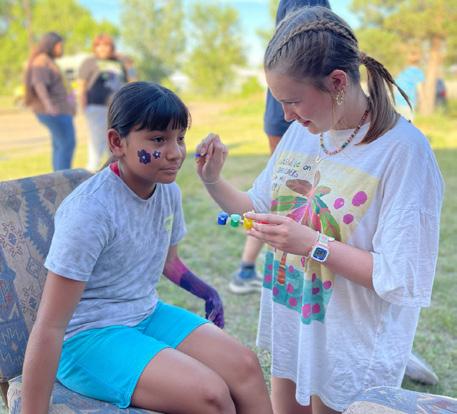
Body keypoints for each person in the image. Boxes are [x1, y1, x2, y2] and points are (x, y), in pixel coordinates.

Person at [196, 6, 443, 414]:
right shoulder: (303, 133)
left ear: (338, 82)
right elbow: (257, 208)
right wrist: (213, 180)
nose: (286, 116)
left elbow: (398, 277)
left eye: (293, 101)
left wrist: (313, 244)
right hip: (294, 328)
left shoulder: (404, 152)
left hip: (349, 349)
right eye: (280, 102)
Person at [21, 82, 273, 414]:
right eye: (158, 140)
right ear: (117, 142)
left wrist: (206, 291)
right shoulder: (90, 211)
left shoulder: (167, 191)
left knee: (246, 367)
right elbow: (51, 325)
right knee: (211, 396)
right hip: (88, 337)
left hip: (146, 312)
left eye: (179, 138)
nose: (175, 152)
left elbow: (168, 262)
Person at [231, 0, 331, 295]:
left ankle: (247, 267)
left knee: (284, 200)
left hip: (284, 118)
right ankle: (248, 268)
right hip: (290, 122)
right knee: (284, 199)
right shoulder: (295, 75)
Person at [24, 32, 76, 171]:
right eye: (59, 45)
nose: (61, 48)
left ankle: (58, 176)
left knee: (60, 145)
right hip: (55, 111)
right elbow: (38, 83)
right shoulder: (42, 60)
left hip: (60, 110)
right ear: (50, 45)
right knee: (66, 144)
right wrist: (49, 105)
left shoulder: (49, 61)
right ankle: (62, 178)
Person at [79, 34, 128, 172]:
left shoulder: (119, 62)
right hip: (96, 106)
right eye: (99, 45)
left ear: (111, 47)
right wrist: (83, 106)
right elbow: (82, 85)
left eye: (106, 45)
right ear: (95, 48)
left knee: (114, 140)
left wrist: (126, 60)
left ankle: (112, 170)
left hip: (117, 107)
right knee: (97, 140)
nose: (103, 48)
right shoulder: (89, 62)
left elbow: (132, 78)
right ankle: (92, 170)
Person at [394, 46, 424, 121]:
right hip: (408, 103)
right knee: (408, 124)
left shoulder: (403, 72)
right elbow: (419, 89)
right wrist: (422, 101)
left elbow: (395, 87)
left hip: (398, 102)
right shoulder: (418, 72)